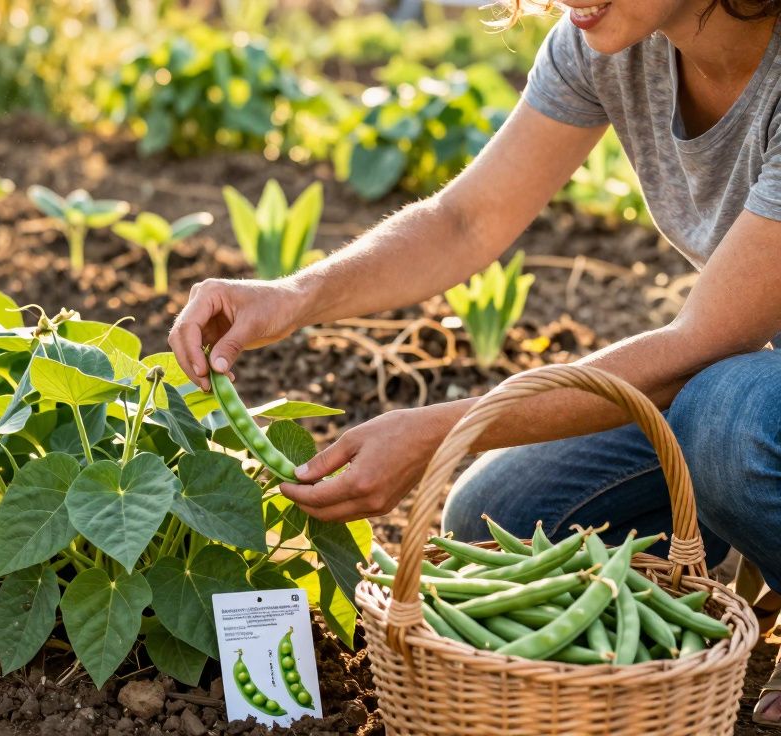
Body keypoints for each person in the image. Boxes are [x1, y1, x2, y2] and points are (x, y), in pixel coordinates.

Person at [168, 0, 781, 721]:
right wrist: (294, 295)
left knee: (725, 423)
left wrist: (440, 433)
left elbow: (699, 346)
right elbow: (466, 219)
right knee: (507, 513)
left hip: (742, 389)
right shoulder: (609, 40)